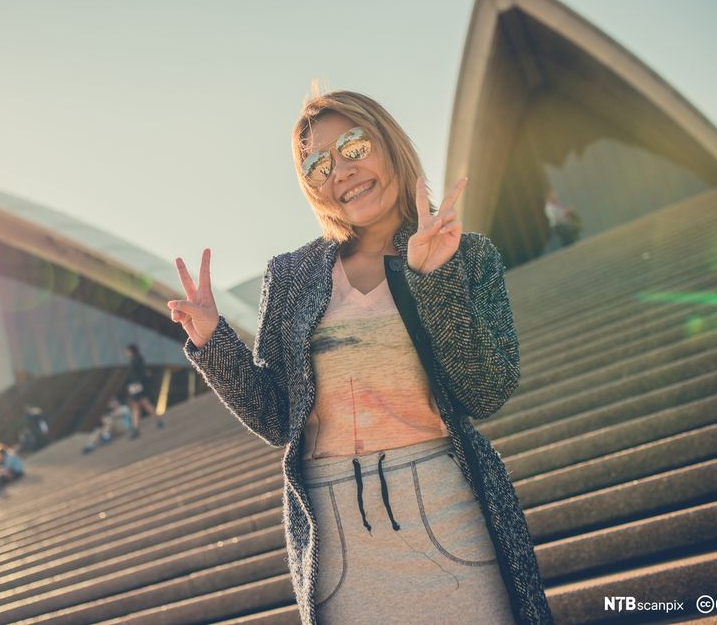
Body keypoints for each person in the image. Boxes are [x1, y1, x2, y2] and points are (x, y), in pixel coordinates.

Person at [168, 90, 553, 624]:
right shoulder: (291, 275)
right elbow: (280, 420)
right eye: (319, 164)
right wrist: (213, 340)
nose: (341, 171)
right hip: (336, 533)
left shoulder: (467, 255)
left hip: (448, 508)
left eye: (353, 145)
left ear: (388, 142)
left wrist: (433, 278)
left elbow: (485, 392)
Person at [123, 343, 164, 437]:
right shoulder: (138, 359)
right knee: (142, 404)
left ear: (131, 351)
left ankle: (136, 429)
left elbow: (136, 375)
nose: (126, 353)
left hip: (136, 386)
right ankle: (156, 421)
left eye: (127, 351)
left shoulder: (135, 360)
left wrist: (131, 386)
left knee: (139, 406)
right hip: (137, 386)